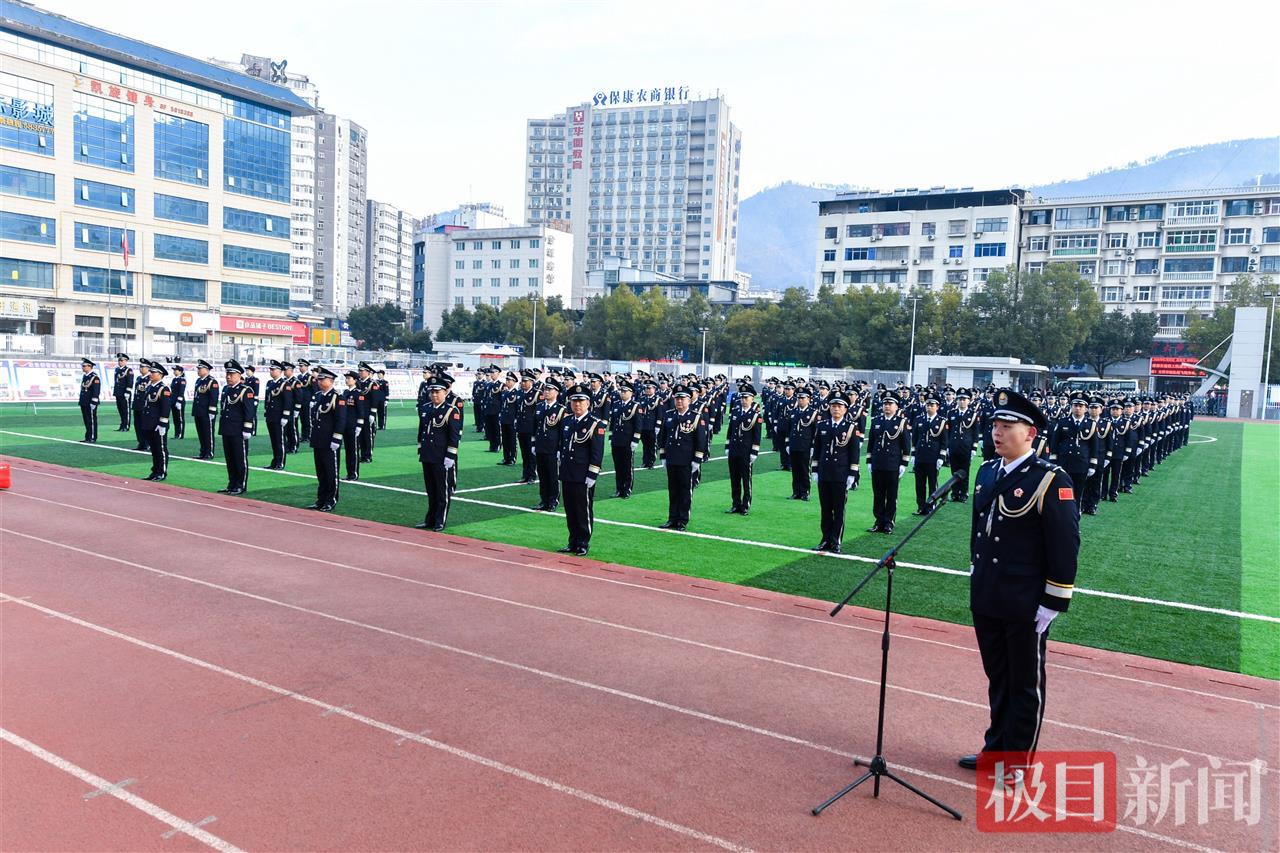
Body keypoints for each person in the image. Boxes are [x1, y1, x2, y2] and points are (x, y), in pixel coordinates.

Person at [958, 388, 1079, 773]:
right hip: (989, 592)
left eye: (1007, 426)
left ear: (1030, 433)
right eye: (995, 424)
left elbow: (1065, 544)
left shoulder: (1049, 479)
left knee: (1024, 683)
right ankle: (994, 749)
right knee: (997, 677)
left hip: (1026, 600)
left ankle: (1016, 759)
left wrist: (1054, 601)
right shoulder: (988, 470)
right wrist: (976, 568)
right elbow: (981, 528)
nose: (997, 432)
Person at [558, 383, 606, 555]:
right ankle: (572, 541)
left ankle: (583, 542)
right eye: (574, 401)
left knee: (583, 509)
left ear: (588, 403)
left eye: (581, 401)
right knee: (570, 509)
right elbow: (563, 445)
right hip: (567, 472)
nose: (577, 404)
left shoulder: (595, 424)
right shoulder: (567, 420)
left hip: (583, 474)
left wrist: (593, 473)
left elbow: (597, 452)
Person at [811, 392, 860, 553]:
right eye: (833, 406)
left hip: (841, 474)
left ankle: (836, 540)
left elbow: (854, 452)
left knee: (838, 510)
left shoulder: (851, 427)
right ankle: (825, 539)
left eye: (839, 406)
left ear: (845, 409)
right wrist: (815, 470)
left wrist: (853, 474)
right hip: (825, 473)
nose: (836, 409)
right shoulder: (822, 425)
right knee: (825, 509)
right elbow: (817, 449)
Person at [415, 372, 461, 531]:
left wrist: (451, 455)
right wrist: (420, 447)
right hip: (427, 454)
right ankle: (430, 519)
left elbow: (454, 436)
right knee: (431, 490)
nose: (434, 395)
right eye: (432, 391)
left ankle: (440, 520)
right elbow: (421, 430)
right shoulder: (426, 408)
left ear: (445, 392)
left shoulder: (451, 410)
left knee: (442, 491)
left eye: (437, 392)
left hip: (441, 456)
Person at [658, 384, 707, 531]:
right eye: (677, 399)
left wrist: (697, 460)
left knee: (685, 491)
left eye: (682, 399)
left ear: (689, 400)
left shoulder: (696, 417)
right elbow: (663, 436)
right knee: (673, 490)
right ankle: (672, 518)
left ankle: (682, 520)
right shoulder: (669, 414)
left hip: (687, 460)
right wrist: (663, 456)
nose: (679, 401)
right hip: (672, 458)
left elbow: (700, 440)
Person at [867, 393, 911, 533]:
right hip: (878, 463)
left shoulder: (901, 422)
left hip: (893, 464)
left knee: (891, 495)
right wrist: (869, 460)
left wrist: (904, 464)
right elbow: (871, 443)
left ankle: (889, 522)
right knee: (878, 494)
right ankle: (878, 521)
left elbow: (906, 445)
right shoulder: (876, 421)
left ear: (896, 406)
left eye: (890, 404)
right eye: (885, 403)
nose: (887, 406)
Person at [1047, 393, 1096, 520]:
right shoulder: (1063, 422)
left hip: (1081, 464)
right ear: (1071, 407)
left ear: (1086, 408)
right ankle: (1062, 519)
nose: (1078, 408)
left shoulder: (1090, 424)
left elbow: (1094, 447)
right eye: (1075, 405)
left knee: (1078, 494)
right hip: (1065, 463)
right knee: (1063, 493)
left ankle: (1075, 520)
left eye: (1081, 406)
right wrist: (1054, 462)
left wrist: (1092, 465)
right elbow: (1054, 443)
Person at [306, 366, 347, 512]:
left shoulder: (338, 397)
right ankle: (321, 499)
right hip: (319, 439)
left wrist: (336, 439)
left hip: (330, 441)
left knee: (331, 472)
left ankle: (331, 500)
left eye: (322, 379)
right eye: (319, 379)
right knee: (321, 472)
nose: (318, 381)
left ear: (330, 381)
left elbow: (341, 420)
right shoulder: (319, 396)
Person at [217, 360, 256, 495]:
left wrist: (247, 429)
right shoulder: (227, 389)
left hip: (239, 430)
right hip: (227, 428)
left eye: (231, 374)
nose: (228, 376)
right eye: (227, 373)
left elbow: (249, 411)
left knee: (240, 458)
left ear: (239, 375)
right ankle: (231, 483)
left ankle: (240, 484)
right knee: (230, 458)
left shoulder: (246, 390)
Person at [724, 383, 762, 515]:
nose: (743, 400)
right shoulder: (735, 411)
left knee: (746, 480)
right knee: (734, 479)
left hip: (746, 452)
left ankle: (745, 505)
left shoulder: (756, 415)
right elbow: (730, 431)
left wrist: (754, 452)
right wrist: (727, 446)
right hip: (734, 450)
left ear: (752, 399)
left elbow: (757, 436)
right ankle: (735, 504)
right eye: (742, 397)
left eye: (746, 398)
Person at [532, 378, 567, 511]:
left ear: (557, 392)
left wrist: (560, 449)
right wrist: (534, 444)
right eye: (545, 389)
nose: (546, 392)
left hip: (553, 448)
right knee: (542, 474)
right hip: (540, 446)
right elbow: (535, 427)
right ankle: (544, 499)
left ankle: (553, 500)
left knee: (553, 475)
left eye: (550, 389)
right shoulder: (540, 407)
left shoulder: (561, 410)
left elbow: (563, 432)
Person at [911, 394, 947, 516]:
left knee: (932, 483)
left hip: (933, 457)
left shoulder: (942, 422)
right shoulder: (919, 419)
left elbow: (944, 441)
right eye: (927, 404)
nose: (929, 407)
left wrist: (941, 457)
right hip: (921, 456)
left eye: (932, 405)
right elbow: (915, 439)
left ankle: (931, 505)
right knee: (919, 484)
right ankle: (921, 507)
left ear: (937, 407)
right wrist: (913, 455)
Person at [137, 362, 173, 481]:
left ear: (160, 374)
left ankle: (161, 472)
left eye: (153, 372)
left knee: (160, 448)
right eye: (151, 372)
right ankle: (155, 471)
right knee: (154, 449)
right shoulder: (150, 386)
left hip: (158, 424)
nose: (151, 374)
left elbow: (165, 407)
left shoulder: (164, 388)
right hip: (149, 423)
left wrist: (163, 423)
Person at [607, 380, 641, 498]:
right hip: (617, 440)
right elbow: (613, 423)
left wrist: (635, 440)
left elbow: (638, 424)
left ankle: (627, 489)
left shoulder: (635, 406)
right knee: (618, 466)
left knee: (627, 466)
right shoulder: (616, 404)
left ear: (631, 393)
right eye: (621, 391)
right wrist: (611, 437)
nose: (622, 393)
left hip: (628, 441)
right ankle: (619, 488)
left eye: (625, 391)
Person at [945, 389, 979, 502]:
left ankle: (964, 493)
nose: (962, 401)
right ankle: (955, 492)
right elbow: (948, 432)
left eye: (964, 399)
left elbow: (975, 432)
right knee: (954, 470)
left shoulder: (973, 414)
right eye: (960, 399)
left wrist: (974, 448)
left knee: (965, 471)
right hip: (954, 446)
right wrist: (947, 446)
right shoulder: (952, 413)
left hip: (966, 447)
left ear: (969, 401)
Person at [787, 388, 819, 501]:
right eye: (799, 398)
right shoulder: (793, 411)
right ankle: (796, 492)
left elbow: (816, 432)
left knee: (805, 470)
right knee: (795, 470)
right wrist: (787, 443)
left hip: (805, 446)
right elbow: (789, 429)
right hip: (794, 445)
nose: (800, 400)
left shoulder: (813, 413)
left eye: (802, 398)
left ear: (808, 399)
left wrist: (812, 447)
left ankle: (805, 492)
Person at [262, 360, 292, 470]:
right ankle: (274, 461)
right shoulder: (270, 383)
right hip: (271, 416)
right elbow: (267, 399)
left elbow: (287, 401)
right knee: (274, 440)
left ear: (279, 371)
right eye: (270, 369)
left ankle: (280, 462)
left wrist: (285, 416)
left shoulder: (285, 384)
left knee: (280, 440)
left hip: (279, 417)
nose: (271, 371)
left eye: (273, 370)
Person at [340, 371, 368, 481]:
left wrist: (359, 425)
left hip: (353, 426)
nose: (347, 380)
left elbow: (361, 411)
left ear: (355, 380)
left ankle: (354, 473)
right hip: (345, 425)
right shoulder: (345, 392)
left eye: (349, 378)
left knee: (353, 450)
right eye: (346, 378)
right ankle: (349, 473)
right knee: (348, 450)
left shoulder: (358, 394)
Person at [515, 369, 540, 484]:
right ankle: (525, 474)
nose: (523, 383)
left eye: (526, 381)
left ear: (531, 382)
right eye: (522, 381)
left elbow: (538, 413)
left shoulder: (537, 394)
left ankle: (532, 475)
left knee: (531, 453)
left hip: (531, 429)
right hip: (521, 428)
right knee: (524, 453)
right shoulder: (520, 393)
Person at [192, 359, 219, 460]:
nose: (198, 370)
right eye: (198, 368)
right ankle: (203, 452)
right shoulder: (199, 381)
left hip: (207, 412)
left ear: (206, 370)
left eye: (200, 368)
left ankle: (209, 452)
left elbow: (214, 397)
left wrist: (212, 411)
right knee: (201, 432)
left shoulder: (212, 381)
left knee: (208, 433)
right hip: (198, 411)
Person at [498, 371, 519, 466]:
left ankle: (512, 458)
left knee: (512, 440)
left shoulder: (517, 393)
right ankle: (506, 457)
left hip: (512, 420)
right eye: (507, 380)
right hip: (504, 419)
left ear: (514, 381)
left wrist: (516, 419)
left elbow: (518, 408)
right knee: (505, 440)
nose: (507, 382)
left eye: (509, 380)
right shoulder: (505, 392)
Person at [78, 358, 100, 442]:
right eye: (82, 366)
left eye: (84, 366)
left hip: (90, 402)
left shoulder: (94, 377)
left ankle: (92, 436)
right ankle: (88, 436)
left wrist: (94, 401)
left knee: (91, 420)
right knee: (86, 420)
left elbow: (96, 390)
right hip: (84, 401)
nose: (82, 367)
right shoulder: (85, 376)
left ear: (89, 367)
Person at [131, 360, 150, 451]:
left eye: (143, 367)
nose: (141, 369)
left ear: (148, 368)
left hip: (144, 405)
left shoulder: (149, 379)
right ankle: (141, 442)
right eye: (140, 367)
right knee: (137, 425)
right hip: (137, 404)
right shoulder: (139, 378)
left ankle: (146, 443)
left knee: (144, 425)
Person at [111, 353, 134, 431]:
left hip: (125, 393)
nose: (119, 362)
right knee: (120, 410)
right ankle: (122, 425)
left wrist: (127, 391)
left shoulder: (128, 370)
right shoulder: (117, 369)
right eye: (119, 360)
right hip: (118, 392)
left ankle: (126, 426)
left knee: (126, 410)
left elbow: (130, 382)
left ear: (125, 361)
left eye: (121, 360)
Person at [295, 359, 314, 443]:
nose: (300, 367)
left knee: (307, 419)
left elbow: (314, 389)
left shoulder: (310, 377)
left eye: (302, 366)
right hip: (300, 401)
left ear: (306, 367)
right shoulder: (299, 377)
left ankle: (308, 436)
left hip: (307, 401)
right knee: (302, 419)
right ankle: (303, 436)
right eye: (299, 366)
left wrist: (313, 400)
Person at [169, 365, 187, 440]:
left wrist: (179, 401)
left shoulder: (182, 380)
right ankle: (176, 434)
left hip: (179, 401)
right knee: (175, 418)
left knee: (180, 418)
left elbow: (181, 391)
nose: (174, 371)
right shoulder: (174, 379)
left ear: (180, 371)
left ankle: (180, 434)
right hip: (173, 401)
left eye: (176, 370)